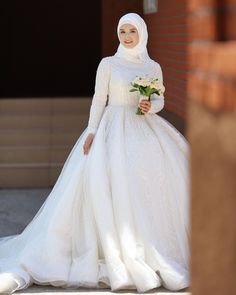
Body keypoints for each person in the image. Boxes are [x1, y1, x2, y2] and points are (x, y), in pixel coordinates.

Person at [0, 13, 190, 294]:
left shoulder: (153, 66)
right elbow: (99, 98)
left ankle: (147, 245)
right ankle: (112, 248)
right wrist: (91, 132)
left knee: (146, 186)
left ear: (142, 34)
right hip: (112, 128)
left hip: (143, 128)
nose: (126, 37)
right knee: (108, 185)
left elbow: (160, 97)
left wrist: (153, 106)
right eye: (122, 31)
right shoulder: (109, 64)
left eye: (132, 32)